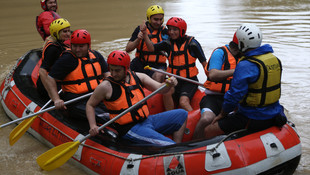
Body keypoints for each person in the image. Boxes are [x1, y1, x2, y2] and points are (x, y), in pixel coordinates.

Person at [86, 50, 188, 146]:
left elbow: (160, 89)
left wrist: (169, 84)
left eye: (117, 70)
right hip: (130, 129)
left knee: (182, 114)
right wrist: (93, 125)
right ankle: (174, 150)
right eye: (111, 69)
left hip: (147, 120)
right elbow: (90, 104)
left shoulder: (139, 77)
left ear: (126, 68)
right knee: (168, 144)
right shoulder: (105, 86)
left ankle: (176, 150)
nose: (113, 74)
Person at [204, 23, 287, 139]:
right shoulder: (275, 60)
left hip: (252, 117)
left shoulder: (245, 66)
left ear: (242, 44)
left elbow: (234, 96)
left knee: (209, 130)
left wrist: (222, 114)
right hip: (274, 114)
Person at [141, 17, 207, 111]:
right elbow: (151, 48)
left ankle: (192, 120)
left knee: (183, 102)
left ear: (182, 30)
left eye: (175, 29)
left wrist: (210, 80)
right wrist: (144, 34)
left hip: (189, 81)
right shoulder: (168, 43)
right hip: (173, 79)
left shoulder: (193, 44)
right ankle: (171, 116)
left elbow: (205, 64)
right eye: (170, 29)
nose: (171, 32)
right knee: (166, 92)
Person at [45, 29, 110, 122]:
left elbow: (107, 75)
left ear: (88, 45)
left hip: (97, 96)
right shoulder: (67, 59)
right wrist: (56, 99)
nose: (77, 49)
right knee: (103, 117)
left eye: (81, 46)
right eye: (74, 46)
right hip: (77, 101)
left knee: (116, 110)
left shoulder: (96, 55)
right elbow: (50, 78)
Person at [192, 32, 241, 140]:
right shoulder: (220, 53)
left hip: (232, 99)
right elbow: (213, 74)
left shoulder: (246, 56)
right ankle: (194, 145)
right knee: (206, 119)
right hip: (213, 98)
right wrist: (236, 70)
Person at [126, 5, 168, 83]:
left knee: (159, 75)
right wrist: (138, 39)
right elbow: (128, 49)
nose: (158, 22)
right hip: (140, 62)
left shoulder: (165, 32)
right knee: (122, 71)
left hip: (158, 65)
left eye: (161, 19)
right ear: (149, 18)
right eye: (155, 19)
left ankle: (155, 92)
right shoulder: (139, 29)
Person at [37, 18, 71, 100]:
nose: (68, 34)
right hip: (49, 84)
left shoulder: (59, 43)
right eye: (64, 31)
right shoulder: (52, 49)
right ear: (56, 33)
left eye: (68, 31)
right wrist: (51, 93)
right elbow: (42, 71)